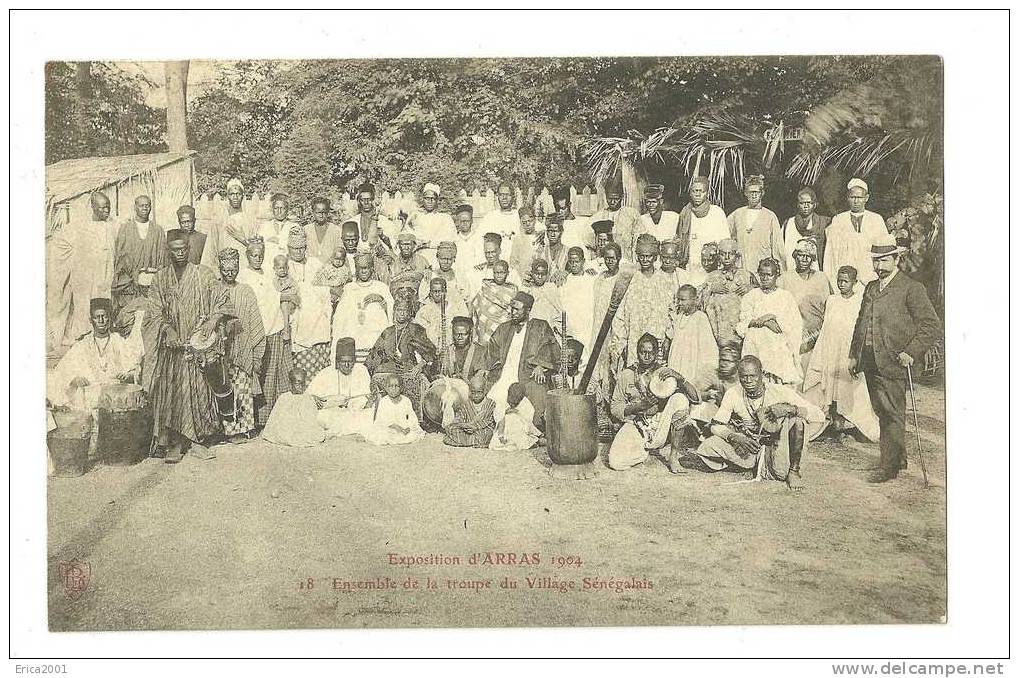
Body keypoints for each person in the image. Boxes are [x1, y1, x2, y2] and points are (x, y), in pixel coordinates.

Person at [849, 234, 941, 483]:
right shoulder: (870, 287)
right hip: (870, 360)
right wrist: (853, 355)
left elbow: (931, 325)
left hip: (894, 361)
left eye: (884, 261)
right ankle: (897, 458)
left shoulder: (912, 288)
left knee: (892, 413)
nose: (879, 266)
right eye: (875, 261)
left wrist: (910, 352)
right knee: (882, 411)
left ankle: (889, 467)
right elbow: (861, 322)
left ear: (897, 259)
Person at [146, 229, 233, 463]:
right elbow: (153, 311)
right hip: (172, 351)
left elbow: (222, 300)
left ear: (189, 249)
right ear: (168, 251)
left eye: (184, 249)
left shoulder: (202, 274)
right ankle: (174, 441)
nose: (181, 254)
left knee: (199, 393)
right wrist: (167, 329)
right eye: (175, 250)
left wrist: (213, 321)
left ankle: (198, 440)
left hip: (196, 350)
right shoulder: (160, 278)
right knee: (173, 395)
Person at [692, 356, 824, 489]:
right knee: (707, 447)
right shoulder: (733, 393)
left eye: (753, 376)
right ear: (739, 375)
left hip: (777, 445)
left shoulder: (780, 391)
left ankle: (794, 471)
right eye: (744, 376)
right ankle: (748, 465)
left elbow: (819, 416)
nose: (748, 381)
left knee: (797, 422)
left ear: (762, 374)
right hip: (749, 444)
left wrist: (791, 409)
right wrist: (735, 437)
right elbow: (716, 425)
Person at [802, 266, 879, 443]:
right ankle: (832, 422)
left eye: (845, 281)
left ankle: (851, 424)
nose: (841, 284)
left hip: (848, 351)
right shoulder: (832, 300)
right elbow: (826, 327)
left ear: (854, 282)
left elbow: (860, 328)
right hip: (831, 350)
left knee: (850, 387)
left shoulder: (860, 301)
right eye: (839, 280)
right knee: (830, 387)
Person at [608, 333, 701, 474]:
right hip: (637, 423)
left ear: (657, 353)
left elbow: (696, 398)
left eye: (651, 353)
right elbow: (615, 408)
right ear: (637, 352)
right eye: (643, 352)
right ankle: (644, 451)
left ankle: (673, 457)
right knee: (616, 462)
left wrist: (680, 378)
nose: (646, 356)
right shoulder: (627, 375)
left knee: (680, 399)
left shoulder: (665, 373)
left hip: (660, 424)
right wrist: (640, 406)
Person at [47, 297, 143, 412]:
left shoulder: (119, 341)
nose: (101, 320)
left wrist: (129, 375)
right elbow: (61, 372)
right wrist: (74, 379)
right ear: (91, 320)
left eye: (104, 316)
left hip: (114, 399)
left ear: (110, 318)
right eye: (97, 317)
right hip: (88, 399)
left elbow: (135, 367)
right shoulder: (82, 345)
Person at [238, 237, 293, 428]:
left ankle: (276, 417)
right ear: (247, 256)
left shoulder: (269, 274)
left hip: (275, 325)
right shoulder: (244, 276)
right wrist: (285, 295)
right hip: (257, 328)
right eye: (253, 255)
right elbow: (258, 299)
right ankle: (258, 419)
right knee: (258, 373)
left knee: (275, 371)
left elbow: (276, 295)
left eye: (260, 255)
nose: (257, 259)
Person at [48, 191, 117, 347]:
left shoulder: (112, 225)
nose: (107, 211)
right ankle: (83, 340)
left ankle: (102, 339)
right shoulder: (79, 227)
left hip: (106, 274)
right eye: (103, 208)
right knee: (84, 307)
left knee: (104, 305)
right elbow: (59, 242)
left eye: (108, 207)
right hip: (85, 276)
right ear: (93, 207)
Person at [484, 291, 561, 426]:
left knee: (534, 412)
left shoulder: (540, 326)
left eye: (517, 309)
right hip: (504, 376)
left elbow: (551, 347)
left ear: (528, 310)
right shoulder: (504, 328)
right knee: (493, 407)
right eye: (512, 309)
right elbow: (492, 349)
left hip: (528, 376)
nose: (513, 312)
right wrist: (489, 368)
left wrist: (540, 366)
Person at [215, 247, 267, 442]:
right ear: (220, 268)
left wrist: (256, 354)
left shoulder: (246, 291)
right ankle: (227, 431)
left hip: (244, 349)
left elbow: (255, 323)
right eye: (226, 270)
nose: (230, 273)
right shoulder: (214, 290)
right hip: (221, 352)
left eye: (233, 269)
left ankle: (243, 428)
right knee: (225, 390)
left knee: (243, 389)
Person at [365, 297, 436, 416]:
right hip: (388, 369)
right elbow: (374, 355)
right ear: (394, 312)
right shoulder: (387, 332)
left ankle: (413, 418)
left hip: (408, 368)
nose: (402, 313)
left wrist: (420, 365)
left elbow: (431, 351)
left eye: (405, 310)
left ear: (410, 313)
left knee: (418, 381)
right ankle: (383, 415)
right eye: (399, 310)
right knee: (376, 378)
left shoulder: (415, 330)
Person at [736, 258, 803, 385]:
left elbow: (794, 324)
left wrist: (773, 318)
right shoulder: (751, 296)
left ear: (776, 275)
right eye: (762, 274)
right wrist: (764, 320)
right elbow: (742, 324)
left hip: (776, 346)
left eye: (769, 275)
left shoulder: (785, 296)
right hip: (754, 344)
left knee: (777, 384)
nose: (765, 278)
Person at [614, 234, 674, 368]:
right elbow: (619, 316)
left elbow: (672, 313)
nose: (645, 260)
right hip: (635, 340)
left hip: (657, 341)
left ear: (655, 257)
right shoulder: (629, 280)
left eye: (649, 256)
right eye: (642, 256)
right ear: (637, 256)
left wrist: (668, 339)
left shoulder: (665, 281)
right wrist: (622, 343)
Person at [285, 227, 333, 377]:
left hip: (318, 326)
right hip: (297, 326)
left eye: (301, 248)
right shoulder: (284, 266)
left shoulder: (315, 264)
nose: (299, 252)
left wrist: (326, 317)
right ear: (288, 248)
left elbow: (326, 294)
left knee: (319, 374)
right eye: (295, 249)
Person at [779, 239, 832, 374]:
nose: (804, 259)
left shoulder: (822, 278)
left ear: (813, 259)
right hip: (793, 336)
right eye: (800, 255)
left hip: (819, 336)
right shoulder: (785, 278)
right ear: (795, 256)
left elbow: (831, 306)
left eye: (808, 256)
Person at [332, 252, 395, 365]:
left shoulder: (381, 288)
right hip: (355, 343)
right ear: (356, 269)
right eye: (360, 268)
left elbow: (392, 314)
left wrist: (382, 301)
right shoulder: (349, 289)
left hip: (376, 343)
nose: (363, 271)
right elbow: (340, 320)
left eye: (366, 267)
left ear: (372, 268)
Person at [824, 178, 889, 284]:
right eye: (852, 197)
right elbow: (830, 253)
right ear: (847, 198)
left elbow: (884, 251)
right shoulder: (838, 220)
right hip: (845, 279)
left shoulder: (876, 220)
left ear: (866, 198)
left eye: (859, 197)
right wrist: (830, 278)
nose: (856, 201)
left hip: (870, 276)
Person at [308, 337, 372, 438]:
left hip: (354, 413)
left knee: (369, 415)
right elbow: (309, 394)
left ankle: (336, 430)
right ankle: (345, 429)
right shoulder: (327, 372)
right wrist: (314, 398)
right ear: (337, 362)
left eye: (350, 361)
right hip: (332, 413)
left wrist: (359, 404)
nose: (347, 365)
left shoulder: (361, 370)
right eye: (343, 362)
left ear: (354, 361)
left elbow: (367, 396)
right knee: (319, 416)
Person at [700, 238, 757, 348]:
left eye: (730, 254)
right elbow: (699, 302)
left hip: (741, 329)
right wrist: (710, 288)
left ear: (736, 256)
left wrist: (751, 288)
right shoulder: (712, 276)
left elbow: (762, 295)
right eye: (722, 254)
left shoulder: (747, 275)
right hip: (719, 330)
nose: (726, 258)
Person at [112, 194, 167, 311]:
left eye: (147, 205)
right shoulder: (125, 229)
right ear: (135, 207)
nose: (144, 208)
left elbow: (163, 258)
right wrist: (132, 276)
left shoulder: (158, 230)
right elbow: (120, 258)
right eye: (141, 205)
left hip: (151, 284)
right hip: (129, 285)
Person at [728, 175, 785, 275]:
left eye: (757, 192)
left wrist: (779, 271)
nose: (754, 195)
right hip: (741, 269)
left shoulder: (770, 216)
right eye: (751, 192)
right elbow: (727, 237)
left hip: (763, 272)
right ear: (746, 193)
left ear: (762, 193)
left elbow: (777, 248)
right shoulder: (737, 214)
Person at [666, 284, 719, 390]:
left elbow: (708, 348)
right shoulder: (680, 316)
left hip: (692, 361)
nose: (680, 303)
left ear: (694, 300)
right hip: (677, 359)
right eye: (678, 300)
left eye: (683, 300)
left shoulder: (701, 318)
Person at [677, 176, 730, 279]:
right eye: (694, 191)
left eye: (701, 191)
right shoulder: (685, 213)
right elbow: (680, 239)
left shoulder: (717, 212)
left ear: (707, 193)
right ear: (690, 193)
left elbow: (725, 242)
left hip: (712, 268)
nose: (697, 194)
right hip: (691, 268)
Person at [260, 367, 327, 447]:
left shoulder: (307, 397)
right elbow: (277, 418)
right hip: (288, 427)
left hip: (302, 427)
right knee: (284, 434)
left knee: (313, 434)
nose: (301, 386)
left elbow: (311, 418)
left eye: (303, 383)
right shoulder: (284, 397)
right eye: (297, 383)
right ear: (290, 383)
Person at [202, 178, 257, 269]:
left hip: (244, 268)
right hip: (225, 269)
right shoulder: (219, 220)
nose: (235, 197)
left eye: (238, 194)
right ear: (227, 196)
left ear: (242, 196)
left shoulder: (249, 221)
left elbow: (257, 250)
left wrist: (243, 240)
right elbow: (211, 248)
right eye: (232, 194)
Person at [362, 373, 425, 446]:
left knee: (412, 435)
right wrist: (395, 427)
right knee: (381, 435)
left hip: (403, 426)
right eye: (391, 386)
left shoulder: (406, 400)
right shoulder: (384, 401)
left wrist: (408, 427)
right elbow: (381, 419)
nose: (394, 389)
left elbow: (411, 417)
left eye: (397, 386)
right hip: (388, 427)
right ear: (386, 388)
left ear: (401, 388)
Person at [469, 259, 518, 346]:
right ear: (493, 273)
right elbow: (477, 304)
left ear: (507, 273)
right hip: (484, 324)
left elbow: (512, 310)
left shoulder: (512, 290)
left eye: (502, 272)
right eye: (496, 272)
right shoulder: (486, 286)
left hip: (502, 324)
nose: (499, 275)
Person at [590, 179, 640, 263]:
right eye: (610, 198)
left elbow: (637, 239)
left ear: (621, 197)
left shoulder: (632, 214)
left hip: (627, 261)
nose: (613, 202)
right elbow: (590, 243)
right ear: (605, 196)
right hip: (605, 262)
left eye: (616, 198)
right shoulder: (598, 216)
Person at [559, 246, 596, 361]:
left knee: (587, 356)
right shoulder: (564, 281)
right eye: (571, 262)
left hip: (587, 326)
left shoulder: (592, 280)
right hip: (571, 326)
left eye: (577, 261)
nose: (574, 264)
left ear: (583, 261)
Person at [442, 372, 497, 448]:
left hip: (481, 430)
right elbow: (459, 418)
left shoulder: (490, 404)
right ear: (470, 391)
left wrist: (475, 427)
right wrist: (465, 426)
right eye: (473, 392)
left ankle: (464, 441)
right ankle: (474, 442)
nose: (476, 396)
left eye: (479, 392)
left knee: (489, 433)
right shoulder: (466, 404)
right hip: (467, 430)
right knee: (450, 428)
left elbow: (489, 420)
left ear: (485, 391)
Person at [783, 187, 829, 272]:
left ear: (815, 205)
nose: (806, 206)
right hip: (792, 270)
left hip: (815, 271)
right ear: (797, 204)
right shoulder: (789, 223)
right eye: (802, 203)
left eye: (809, 203)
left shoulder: (823, 223)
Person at [406, 182, 456, 261]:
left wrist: (429, 244)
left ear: (437, 200)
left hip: (438, 257)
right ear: (423, 199)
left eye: (433, 198)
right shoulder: (415, 216)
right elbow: (407, 233)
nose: (430, 201)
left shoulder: (445, 218)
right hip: (418, 256)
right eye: (427, 198)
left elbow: (449, 239)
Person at [416, 277, 468, 352]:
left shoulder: (456, 309)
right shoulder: (424, 311)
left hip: (454, 350)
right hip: (433, 351)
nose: (437, 294)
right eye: (435, 291)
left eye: (440, 291)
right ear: (430, 293)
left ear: (445, 292)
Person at [489, 382, 544, 452]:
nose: (513, 403)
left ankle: (537, 439)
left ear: (522, 398)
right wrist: (500, 435)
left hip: (519, 429)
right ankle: (535, 441)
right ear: (508, 393)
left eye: (516, 402)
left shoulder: (525, 403)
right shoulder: (502, 402)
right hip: (505, 431)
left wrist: (518, 413)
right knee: (496, 443)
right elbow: (500, 419)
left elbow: (528, 421)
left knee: (520, 436)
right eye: (511, 399)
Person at [421, 240, 472, 312]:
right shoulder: (430, 276)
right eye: (443, 259)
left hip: (455, 314)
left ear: (454, 259)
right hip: (434, 315)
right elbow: (422, 302)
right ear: (437, 258)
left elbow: (467, 300)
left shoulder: (459, 277)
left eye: (449, 259)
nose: (446, 262)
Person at [470, 232, 522, 298]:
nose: (490, 255)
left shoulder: (511, 272)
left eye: (493, 252)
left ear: (499, 251)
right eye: (487, 252)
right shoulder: (479, 272)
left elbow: (519, 295)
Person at [633, 184, 679, 258]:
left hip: (668, 259)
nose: (650, 205)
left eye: (654, 202)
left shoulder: (673, 218)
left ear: (661, 201)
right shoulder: (642, 219)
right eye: (648, 202)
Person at [352, 182, 398, 251]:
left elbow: (394, 247)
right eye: (363, 200)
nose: (366, 202)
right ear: (359, 201)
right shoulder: (353, 221)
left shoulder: (384, 222)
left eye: (369, 199)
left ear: (373, 199)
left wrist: (383, 236)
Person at [523, 258, 564, 332]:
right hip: (531, 330)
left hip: (548, 329)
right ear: (532, 273)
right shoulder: (528, 290)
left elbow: (560, 310)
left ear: (547, 274)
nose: (540, 277)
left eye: (543, 274)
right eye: (537, 274)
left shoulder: (551, 288)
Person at [451, 204, 486, 285]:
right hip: (458, 279)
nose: (464, 223)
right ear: (457, 222)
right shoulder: (453, 240)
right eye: (462, 221)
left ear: (472, 221)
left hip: (477, 279)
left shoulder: (480, 239)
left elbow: (485, 261)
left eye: (467, 221)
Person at [389, 230, 432, 296]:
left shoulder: (422, 261)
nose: (406, 247)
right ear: (399, 245)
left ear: (414, 245)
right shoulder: (393, 262)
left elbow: (428, 283)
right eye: (403, 244)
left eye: (409, 244)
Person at [257, 193, 299, 259]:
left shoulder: (294, 227)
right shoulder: (265, 226)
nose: (279, 211)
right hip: (268, 263)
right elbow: (258, 247)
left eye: (282, 208)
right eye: (276, 208)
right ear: (272, 209)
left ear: (287, 209)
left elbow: (298, 248)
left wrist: (279, 241)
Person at [303, 197, 342, 264]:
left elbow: (340, 251)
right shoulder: (306, 230)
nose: (321, 215)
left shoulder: (336, 230)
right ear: (313, 212)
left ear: (327, 212)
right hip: (310, 269)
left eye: (323, 212)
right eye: (318, 212)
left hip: (330, 269)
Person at [312, 243, 353, 307]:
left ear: (344, 260)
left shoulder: (344, 269)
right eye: (336, 259)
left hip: (340, 290)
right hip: (329, 289)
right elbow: (321, 278)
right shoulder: (328, 268)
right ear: (332, 258)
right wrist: (329, 286)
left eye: (341, 259)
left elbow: (348, 279)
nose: (338, 262)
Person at [550, 185, 589, 250]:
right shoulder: (554, 225)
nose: (560, 212)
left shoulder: (582, 223)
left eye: (563, 208)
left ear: (569, 205)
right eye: (557, 209)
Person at [272, 253, 299, 342]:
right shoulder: (275, 280)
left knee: (287, 305)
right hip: (282, 302)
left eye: (284, 268)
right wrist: (287, 286)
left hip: (290, 301)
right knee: (284, 305)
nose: (282, 270)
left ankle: (287, 329)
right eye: (279, 268)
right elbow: (278, 289)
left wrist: (290, 293)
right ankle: (286, 328)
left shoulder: (290, 278)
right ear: (274, 269)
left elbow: (295, 288)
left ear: (287, 268)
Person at [508, 206, 539, 278]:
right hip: (524, 276)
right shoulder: (518, 240)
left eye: (530, 221)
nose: (527, 225)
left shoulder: (541, 237)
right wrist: (521, 273)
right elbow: (513, 262)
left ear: (534, 220)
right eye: (524, 223)